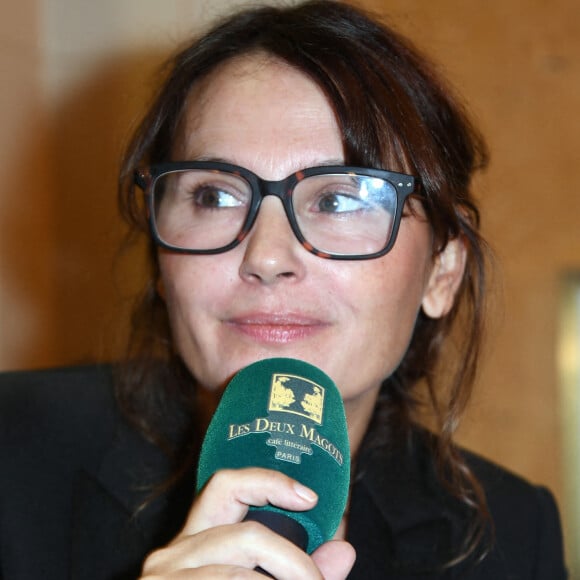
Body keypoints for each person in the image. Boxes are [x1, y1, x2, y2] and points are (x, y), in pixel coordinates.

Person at [0, 1, 568, 578]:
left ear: (441, 274)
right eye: (214, 196)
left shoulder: (513, 536)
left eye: (339, 199)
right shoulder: (11, 459)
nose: (267, 257)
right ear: (161, 265)